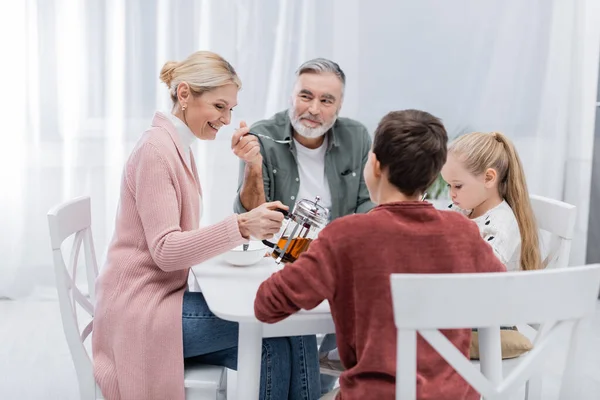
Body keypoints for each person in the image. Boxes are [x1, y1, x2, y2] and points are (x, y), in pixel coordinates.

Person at [92, 51, 320, 400]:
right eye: (219, 107)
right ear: (184, 95)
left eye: (230, 109)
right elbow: (167, 251)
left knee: (286, 332)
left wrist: (247, 199)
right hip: (142, 314)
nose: (227, 119)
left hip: (161, 300)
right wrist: (241, 226)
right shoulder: (156, 151)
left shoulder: (175, 146)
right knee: (276, 332)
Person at [253, 109, 506, 399]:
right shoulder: (463, 232)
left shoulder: (345, 236)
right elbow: (501, 296)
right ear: (434, 175)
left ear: (374, 164)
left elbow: (267, 305)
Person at [232, 58, 374, 393]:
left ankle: (330, 383)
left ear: (339, 105)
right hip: (281, 265)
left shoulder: (357, 137)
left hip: (339, 266)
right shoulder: (262, 136)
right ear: (291, 95)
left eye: (326, 101)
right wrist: (252, 166)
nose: (313, 109)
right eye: (305, 96)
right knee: (287, 328)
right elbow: (250, 217)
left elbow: (367, 206)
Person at [440, 131, 542, 271]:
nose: (451, 194)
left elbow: (484, 274)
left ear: (488, 178)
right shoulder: (462, 208)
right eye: (448, 185)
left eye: (458, 186)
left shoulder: (501, 225)